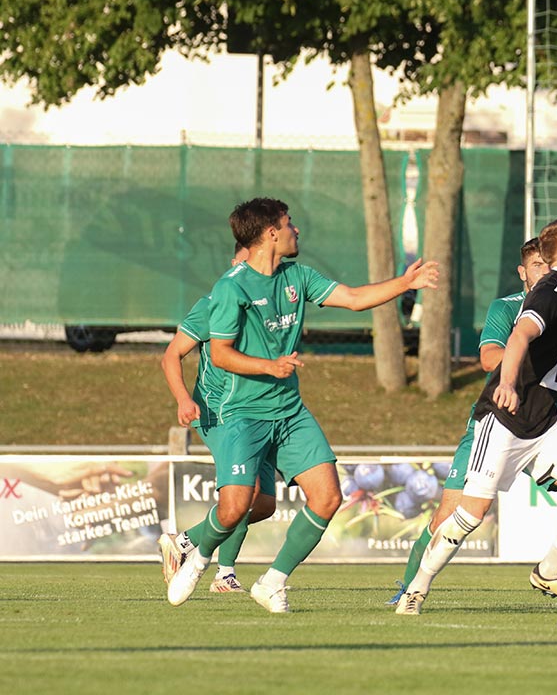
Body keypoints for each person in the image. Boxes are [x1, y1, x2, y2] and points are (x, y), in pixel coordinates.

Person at [165, 197, 439, 613]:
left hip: (289, 411)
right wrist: (268, 366)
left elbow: (353, 297)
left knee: (327, 497)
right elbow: (219, 354)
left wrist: (405, 284)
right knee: (236, 506)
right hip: (242, 415)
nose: (296, 230)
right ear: (271, 233)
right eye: (289, 223)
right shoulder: (230, 288)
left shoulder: (297, 276)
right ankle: (198, 557)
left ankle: (272, 582)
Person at [396, 216, 557, 615]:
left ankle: (550, 572)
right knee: (471, 514)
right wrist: (508, 383)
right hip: (505, 420)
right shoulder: (551, 291)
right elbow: (519, 336)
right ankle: (417, 587)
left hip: (546, 423)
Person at [386, 238, 557, 604]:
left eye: (549, 265)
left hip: (545, 426)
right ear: (523, 272)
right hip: (499, 424)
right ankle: (408, 590)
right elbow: (489, 357)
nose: (546, 272)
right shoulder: (507, 307)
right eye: (537, 266)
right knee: (448, 516)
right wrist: (524, 352)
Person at [158, 241, 280, 595]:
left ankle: (184, 542)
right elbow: (171, 356)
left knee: (264, 504)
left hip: (261, 410)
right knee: (246, 492)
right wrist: (183, 398)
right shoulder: (212, 305)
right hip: (220, 412)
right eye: (244, 262)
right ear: (234, 262)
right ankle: (224, 573)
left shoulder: (267, 306)